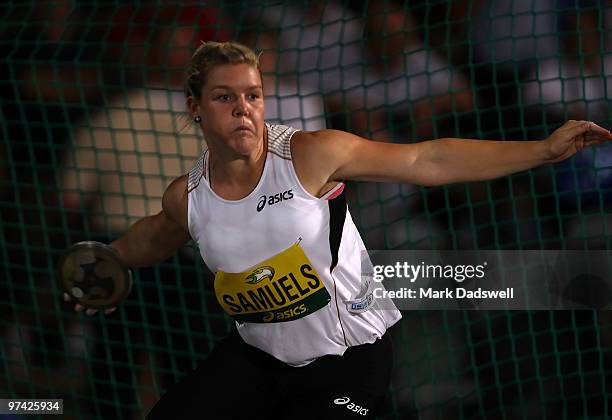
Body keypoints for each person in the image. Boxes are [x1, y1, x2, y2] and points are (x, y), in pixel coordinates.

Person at [64, 41, 612, 419]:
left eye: (252, 94)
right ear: (195, 108)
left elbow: (429, 159)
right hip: (257, 357)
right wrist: (106, 262)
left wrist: (542, 150)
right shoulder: (189, 197)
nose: (244, 109)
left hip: (348, 361)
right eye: (224, 97)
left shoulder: (308, 154)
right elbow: (152, 237)